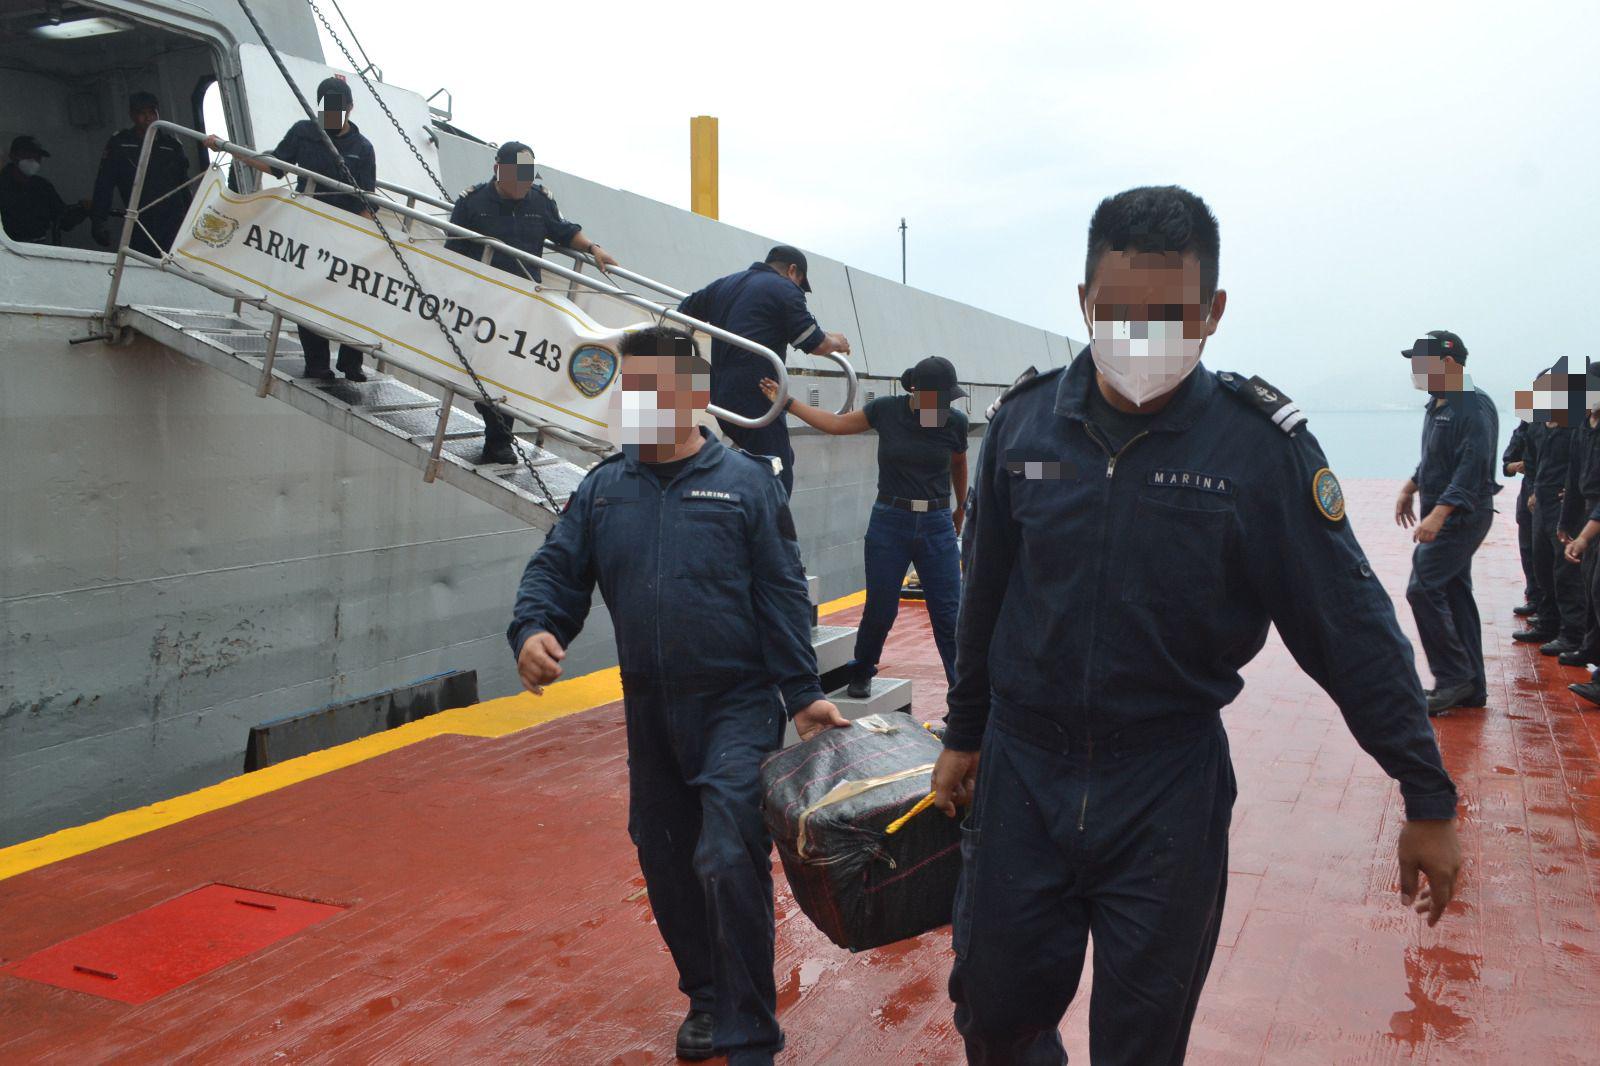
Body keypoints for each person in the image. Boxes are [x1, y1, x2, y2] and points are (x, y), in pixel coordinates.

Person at [931, 185, 1461, 1066]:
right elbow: (982, 593)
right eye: (1117, 312)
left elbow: (1349, 626)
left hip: (1165, 786)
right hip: (1024, 773)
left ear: (1212, 312)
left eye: (1168, 314)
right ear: (1084, 305)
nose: (1139, 338)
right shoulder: (1022, 428)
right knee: (994, 1015)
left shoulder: (1257, 450)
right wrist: (965, 730)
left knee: (1144, 1041)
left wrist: (1426, 793)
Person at [508, 326, 847, 1065]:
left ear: (692, 396)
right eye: (632, 390)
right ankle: (706, 994)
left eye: (658, 390)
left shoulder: (747, 483)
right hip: (650, 707)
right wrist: (534, 628)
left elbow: (781, 594)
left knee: (727, 854)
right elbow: (558, 572)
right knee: (662, 854)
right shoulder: (604, 490)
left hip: (736, 702)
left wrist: (801, 692)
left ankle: (750, 1029)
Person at [758, 355, 970, 697]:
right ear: (915, 392)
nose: (943, 405)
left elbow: (959, 462)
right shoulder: (887, 411)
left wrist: (961, 506)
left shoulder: (955, 423)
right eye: (937, 398)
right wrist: (789, 403)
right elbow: (836, 424)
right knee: (880, 608)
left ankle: (962, 695)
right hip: (891, 522)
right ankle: (863, 670)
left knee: (949, 615)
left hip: (937, 525)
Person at [444, 141, 619, 463]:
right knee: (485, 370)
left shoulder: (538, 201)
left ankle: (499, 442)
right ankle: (497, 437)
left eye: (528, 178)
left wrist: (593, 249)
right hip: (482, 304)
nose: (525, 185)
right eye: (519, 178)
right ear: (499, 169)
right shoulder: (472, 203)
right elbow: (451, 253)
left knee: (509, 371)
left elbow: (563, 232)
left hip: (524, 305)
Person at [208, 76, 377, 382]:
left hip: (345, 234)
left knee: (350, 297)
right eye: (326, 107)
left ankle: (351, 362)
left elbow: (367, 201)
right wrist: (231, 149)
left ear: (350, 108)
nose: (332, 114)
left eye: (338, 108)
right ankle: (318, 364)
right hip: (308, 230)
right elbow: (275, 165)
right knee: (306, 296)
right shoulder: (303, 132)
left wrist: (362, 244)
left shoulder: (363, 148)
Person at [678, 246, 852, 496]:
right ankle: (768, 531)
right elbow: (815, 343)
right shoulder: (785, 289)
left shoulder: (726, 284)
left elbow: (685, 309)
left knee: (766, 460)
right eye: (800, 282)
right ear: (793, 271)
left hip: (720, 392)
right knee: (776, 472)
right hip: (759, 393)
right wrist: (837, 342)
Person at [1395, 331, 1500, 714]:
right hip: (1446, 511)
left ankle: (1453, 678)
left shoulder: (1472, 405)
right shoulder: (1439, 404)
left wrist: (1439, 514)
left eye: (1422, 363)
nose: (1416, 370)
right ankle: (1472, 688)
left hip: (1463, 515)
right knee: (1453, 593)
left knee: (1422, 587)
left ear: (1450, 364)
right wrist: (1411, 486)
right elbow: (1437, 460)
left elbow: (1473, 465)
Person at [1511, 360, 1583, 658]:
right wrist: (1534, 489)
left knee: (1566, 570)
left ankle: (1573, 634)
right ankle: (1549, 621)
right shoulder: (1540, 424)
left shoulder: (1575, 424)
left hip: (1564, 505)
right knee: (1542, 564)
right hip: (1541, 501)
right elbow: (1533, 460)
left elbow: (1581, 463)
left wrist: (1573, 490)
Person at [91, 91, 193, 255]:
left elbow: (185, 187)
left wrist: (193, 220)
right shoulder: (120, 144)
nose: (148, 118)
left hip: (173, 221)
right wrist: (98, 221)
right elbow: (105, 184)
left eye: (152, 112)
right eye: (142, 113)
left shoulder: (172, 146)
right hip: (139, 220)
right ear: (132, 115)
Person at [1559, 361, 1600, 696]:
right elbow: (1573, 481)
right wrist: (1565, 522)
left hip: (1598, 518)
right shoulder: (1583, 427)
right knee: (1591, 591)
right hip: (1588, 512)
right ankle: (1592, 652)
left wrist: (1586, 536)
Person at [0, 135, 89, 245]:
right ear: (13, 156)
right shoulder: (3, 184)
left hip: (38, 250)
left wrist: (82, 209)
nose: (34, 160)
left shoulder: (42, 187)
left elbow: (63, 220)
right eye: (28, 155)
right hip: (6, 250)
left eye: (37, 157)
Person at [1502, 419, 1538, 616]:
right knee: (1528, 547)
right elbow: (1507, 462)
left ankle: (1551, 607)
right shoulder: (1528, 423)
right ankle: (1535, 597)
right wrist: (1514, 465)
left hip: (1551, 491)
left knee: (1550, 554)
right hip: (1528, 489)